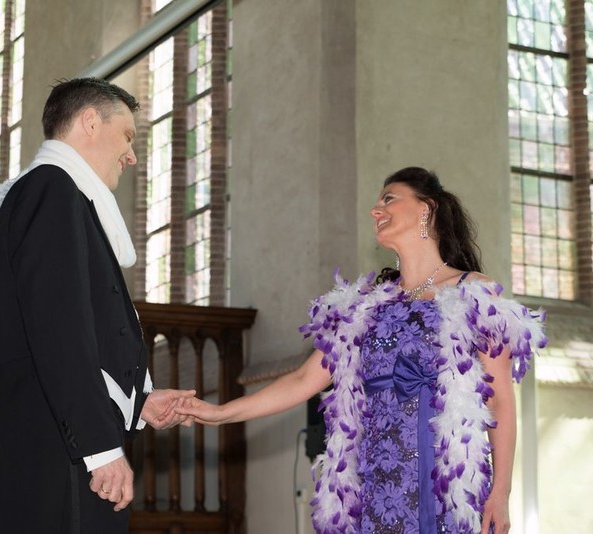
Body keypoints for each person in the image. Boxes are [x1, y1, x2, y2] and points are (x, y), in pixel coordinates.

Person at [177, 167, 547, 534]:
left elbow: (499, 401)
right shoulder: (364, 307)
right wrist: (220, 413)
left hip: (442, 481)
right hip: (374, 484)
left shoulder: (475, 291)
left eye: (389, 198)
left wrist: (501, 492)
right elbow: (303, 379)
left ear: (426, 209)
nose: (375, 210)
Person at [0, 77, 193, 533]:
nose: (131, 156)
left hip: (60, 442)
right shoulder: (51, 188)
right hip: (62, 452)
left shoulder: (59, 194)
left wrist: (139, 403)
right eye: (128, 136)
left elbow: (80, 329)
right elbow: (59, 332)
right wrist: (99, 448)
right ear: (90, 122)